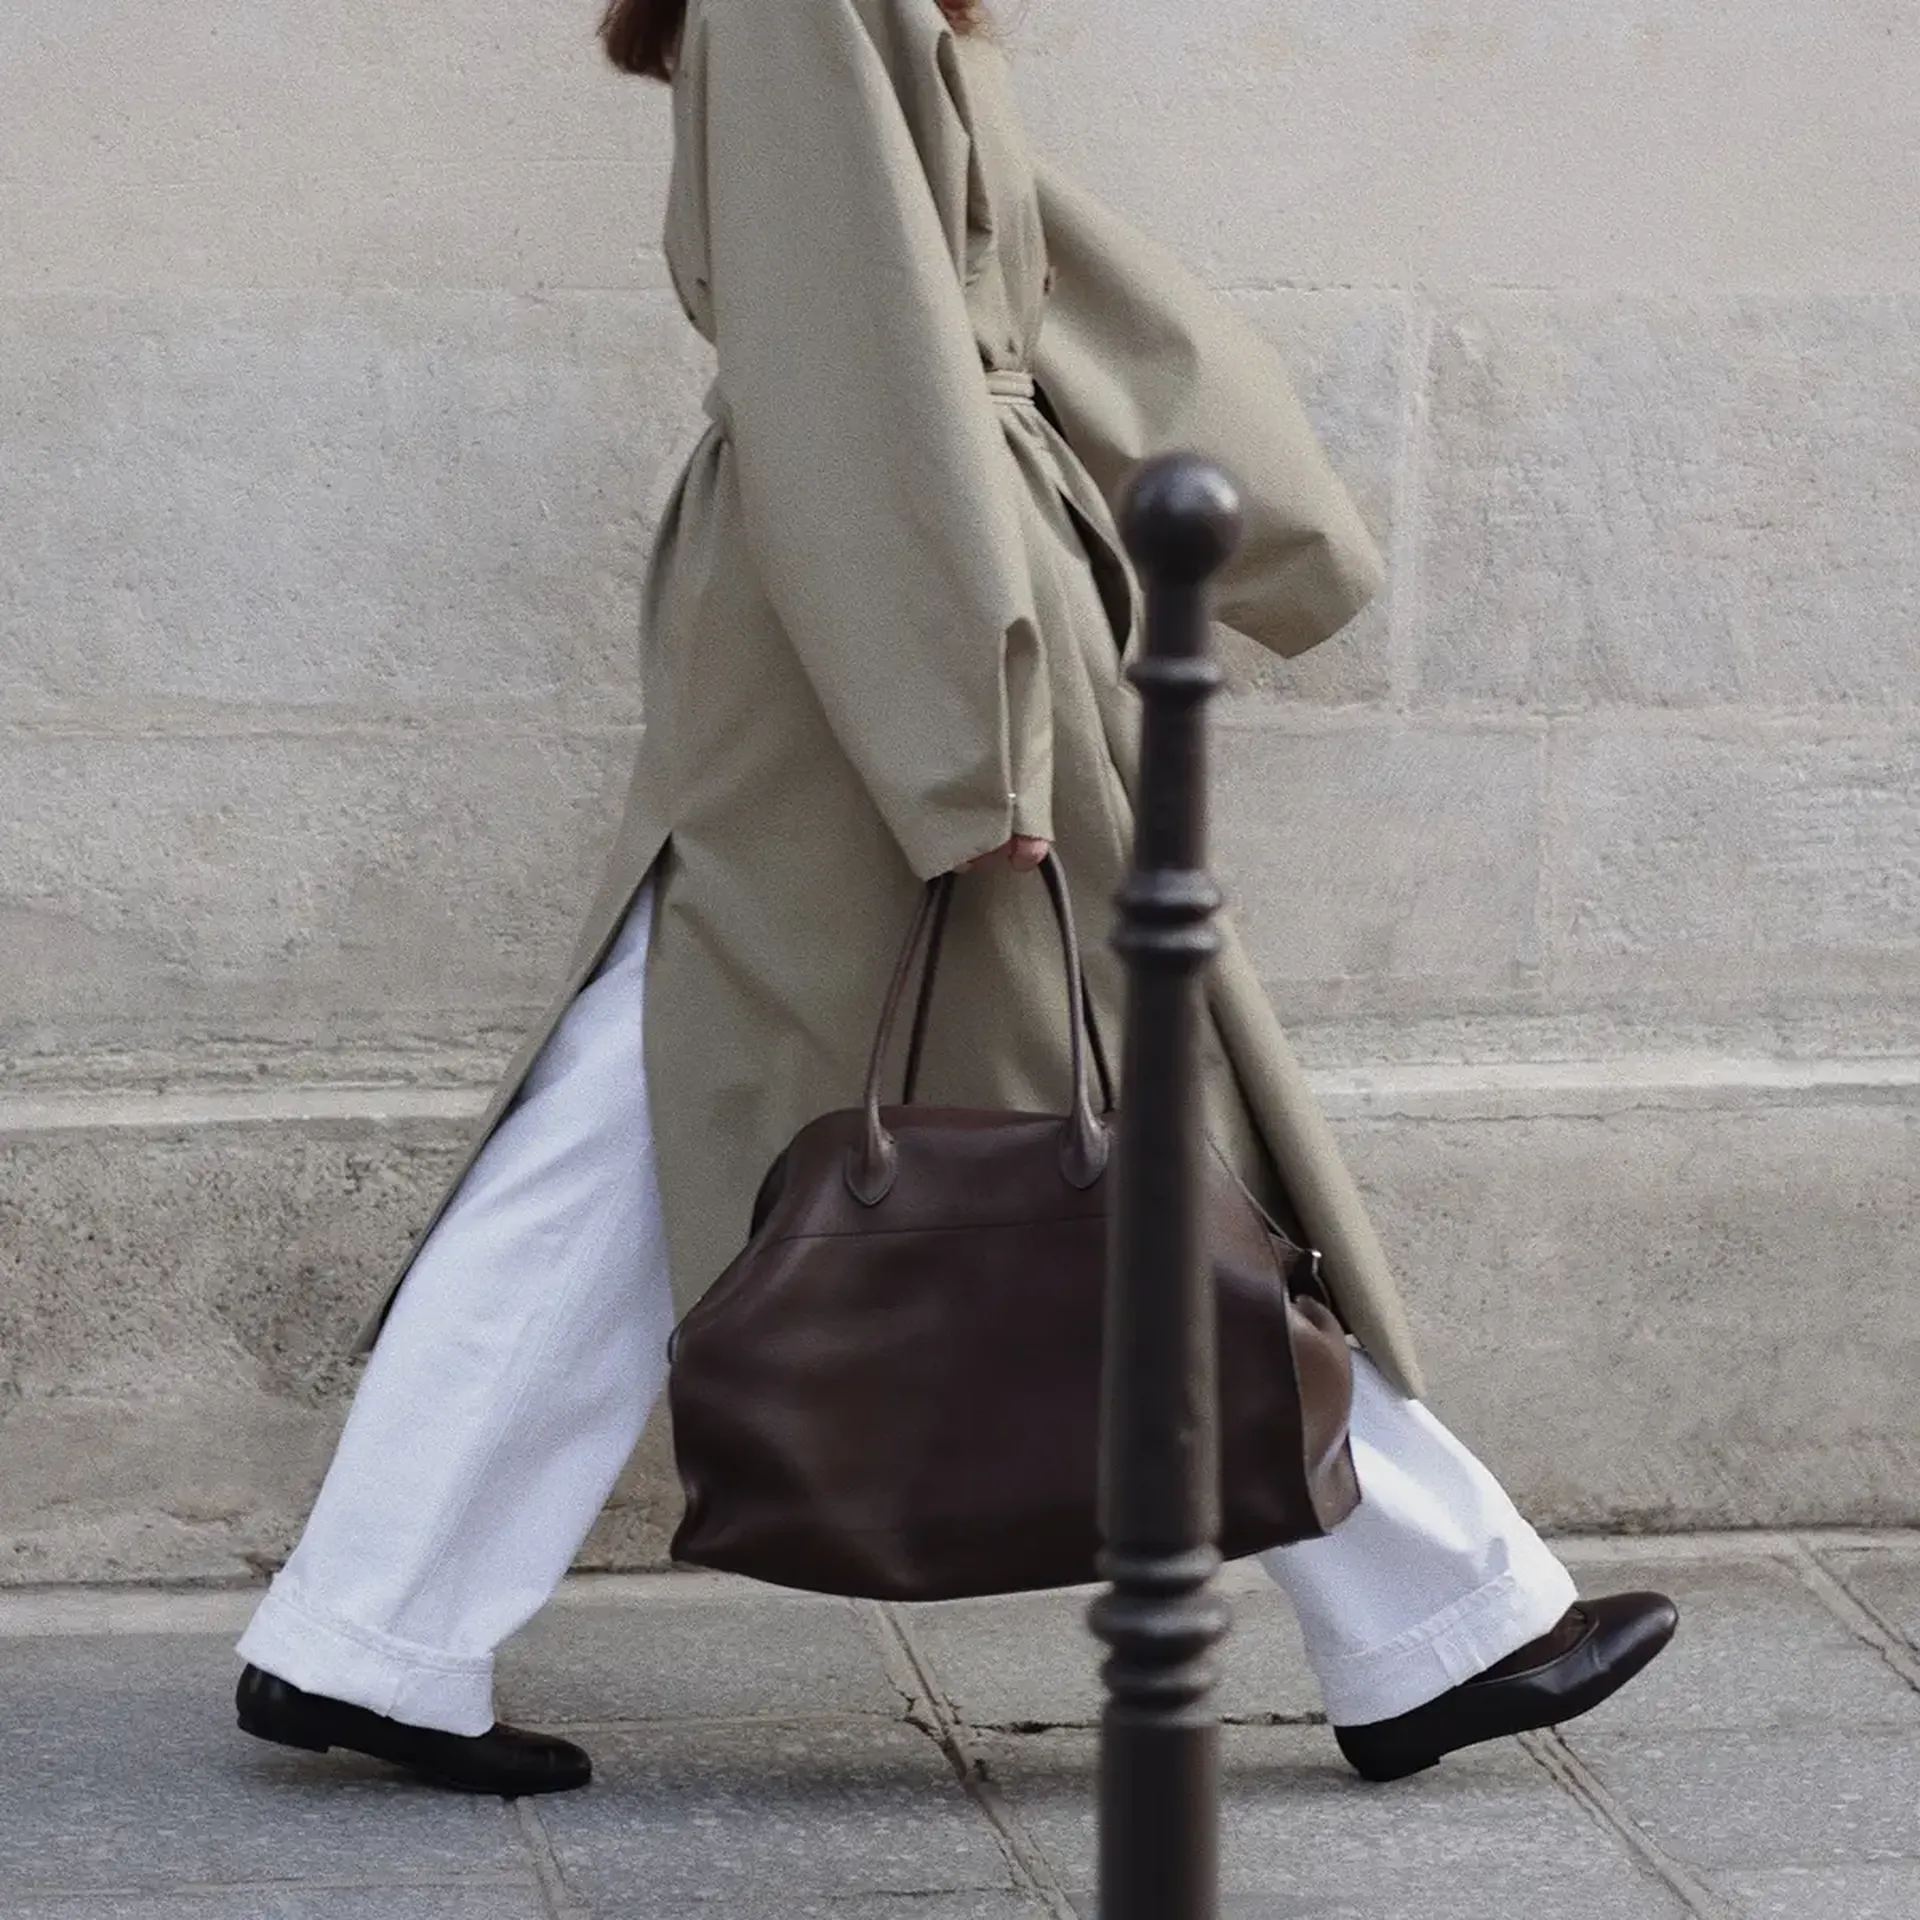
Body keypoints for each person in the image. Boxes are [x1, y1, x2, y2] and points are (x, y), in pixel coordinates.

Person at [232, 0, 1676, 1796]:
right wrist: (957, 735)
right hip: (899, 627)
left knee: (662, 1092)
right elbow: (848, 348)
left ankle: (368, 1627)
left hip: (911, 602)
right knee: (1099, 1102)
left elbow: (1012, 264)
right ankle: (1444, 1614)